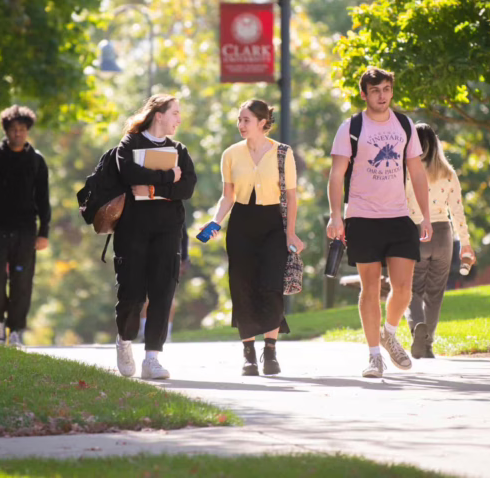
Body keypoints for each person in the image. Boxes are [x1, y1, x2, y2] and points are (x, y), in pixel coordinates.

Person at [326, 67, 433, 378]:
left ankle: (388, 332)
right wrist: (337, 214)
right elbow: (336, 175)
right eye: (375, 91)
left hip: (398, 216)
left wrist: (425, 216)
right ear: (364, 94)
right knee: (370, 288)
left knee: (403, 289)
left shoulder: (404, 125)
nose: (382, 95)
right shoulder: (351, 127)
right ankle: (375, 356)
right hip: (361, 216)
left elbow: (416, 172)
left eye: (386, 89)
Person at [200, 99, 303, 376]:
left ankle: (270, 351)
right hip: (241, 225)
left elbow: (291, 196)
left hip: (273, 226)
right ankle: (248, 354)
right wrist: (214, 222)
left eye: (246, 120)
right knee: (242, 287)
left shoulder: (283, 153)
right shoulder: (231, 154)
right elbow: (228, 196)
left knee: (271, 286)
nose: (240, 125)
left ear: (262, 123)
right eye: (239, 119)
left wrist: (290, 232)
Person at [113, 94, 197, 380]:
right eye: (175, 113)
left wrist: (149, 188)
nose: (179, 118)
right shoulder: (130, 143)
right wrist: (166, 178)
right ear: (158, 115)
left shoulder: (179, 150)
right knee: (132, 294)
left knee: (162, 292)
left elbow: (187, 186)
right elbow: (127, 172)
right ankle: (124, 341)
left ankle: (152, 358)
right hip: (132, 230)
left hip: (168, 231)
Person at [0, 105, 51, 347]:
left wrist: (43, 232)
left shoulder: (37, 162)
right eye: (13, 129)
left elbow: (43, 199)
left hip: (26, 231)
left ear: (28, 131)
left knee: (22, 282)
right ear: (6, 131)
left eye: (22, 129)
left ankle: (16, 328)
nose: (17, 134)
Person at [405, 124, 475, 359]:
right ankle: (428, 344)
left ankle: (416, 326)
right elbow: (458, 212)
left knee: (411, 289)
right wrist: (465, 244)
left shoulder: (407, 171)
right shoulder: (448, 172)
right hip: (444, 236)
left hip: (415, 232)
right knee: (435, 294)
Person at [138, 228, 189, 343]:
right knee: (149, 296)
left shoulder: (175, 210)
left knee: (168, 296)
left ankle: (165, 333)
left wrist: (184, 257)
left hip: (170, 256)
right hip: (150, 256)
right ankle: (146, 332)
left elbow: (184, 235)